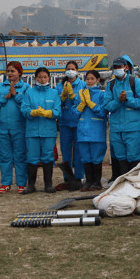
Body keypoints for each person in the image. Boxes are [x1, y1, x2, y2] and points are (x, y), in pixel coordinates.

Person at [103, 56, 140, 176]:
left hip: (132, 127)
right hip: (116, 128)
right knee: (120, 156)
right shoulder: (110, 85)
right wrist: (118, 100)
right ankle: (124, 182)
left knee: (133, 155)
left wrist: (127, 99)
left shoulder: (134, 82)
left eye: (119, 67)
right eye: (115, 67)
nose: (117, 69)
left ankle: (136, 181)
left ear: (126, 67)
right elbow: (107, 106)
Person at [20, 67, 60, 194]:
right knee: (32, 158)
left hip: (48, 131)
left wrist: (49, 113)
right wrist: (32, 112)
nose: (42, 79)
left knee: (48, 158)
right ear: (35, 78)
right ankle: (31, 185)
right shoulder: (29, 93)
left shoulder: (54, 93)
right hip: (32, 132)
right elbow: (24, 109)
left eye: (45, 77)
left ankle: (48, 184)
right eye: (40, 77)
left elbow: (58, 111)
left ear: (49, 78)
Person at [0, 61, 29, 193]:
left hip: (19, 127)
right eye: (8, 71)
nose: (10, 74)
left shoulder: (26, 87)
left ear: (19, 73)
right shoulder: (0, 87)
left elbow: (28, 103)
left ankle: (22, 183)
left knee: (20, 156)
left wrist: (16, 95)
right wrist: (6, 96)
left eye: (13, 71)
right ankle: (5, 183)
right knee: (5, 156)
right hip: (2, 127)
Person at [75, 70, 107, 191]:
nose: (89, 81)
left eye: (92, 79)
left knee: (96, 157)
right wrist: (82, 104)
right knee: (85, 157)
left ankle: (96, 181)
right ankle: (88, 181)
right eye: (87, 78)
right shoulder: (80, 95)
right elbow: (74, 113)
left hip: (97, 131)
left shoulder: (101, 95)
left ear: (98, 80)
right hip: (83, 131)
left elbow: (104, 111)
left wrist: (91, 103)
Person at [55, 61, 85, 189]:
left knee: (78, 151)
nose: (70, 71)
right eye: (68, 69)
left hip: (78, 122)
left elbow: (84, 102)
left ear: (77, 71)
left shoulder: (83, 85)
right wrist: (62, 97)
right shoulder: (59, 86)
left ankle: (79, 177)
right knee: (66, 151)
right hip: (64, 122)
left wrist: (73, 97)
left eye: (73, 69)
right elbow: (56, 104)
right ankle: (67, 178)